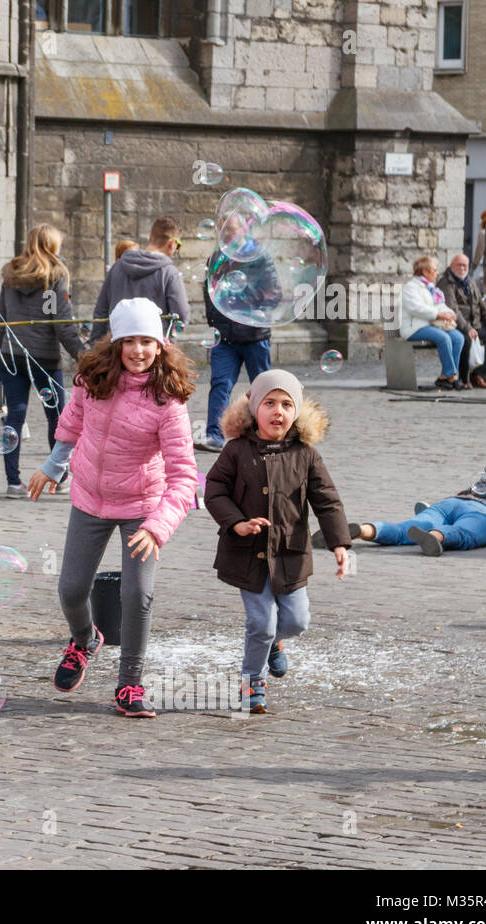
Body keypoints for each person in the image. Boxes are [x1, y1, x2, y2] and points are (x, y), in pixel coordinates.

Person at [26, 297, 198, 718]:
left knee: (137, 594)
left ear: (161, 346)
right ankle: (84, 640)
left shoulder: (169, 403)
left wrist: (157, 527)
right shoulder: (93, 379)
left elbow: (184, 477)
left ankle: (129, 685)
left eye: (147, 341)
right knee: (70, 589)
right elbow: (71, 423)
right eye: (130, 341)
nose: (139, 350)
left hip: (142, 507)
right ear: (116, 343)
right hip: (89, 497)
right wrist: (54, 466)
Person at [204, 370, 351, 714]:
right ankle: (251, 684)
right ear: (254, 408)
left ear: (296, 412)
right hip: (247, 555)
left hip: (291, 555)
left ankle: (275, 644)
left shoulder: (306, 454)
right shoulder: (236, 450)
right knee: (260, 623)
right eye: (269, 403)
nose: (278, 411)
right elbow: (214, 491)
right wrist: (237, 523)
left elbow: (327, 501)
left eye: (286, 404)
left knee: (297, 621)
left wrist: (340, 544)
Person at [0, 224, 83, 498]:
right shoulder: (54, 276)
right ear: (52, 246)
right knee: (57, 418)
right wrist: (84, 356)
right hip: (44, 357)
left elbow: (1, 320)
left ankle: (13, 482)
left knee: (15, 416)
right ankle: (59, 475)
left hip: (12, 356)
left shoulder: (11, 274)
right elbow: (60, 322)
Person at [197, 213, 281, 452]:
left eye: (231, 231)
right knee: (220, 383)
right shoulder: (216, 258)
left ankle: (266, 434)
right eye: (224, 232)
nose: (227, 236)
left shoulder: (260, 258)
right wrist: (216, 320)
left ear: (243, 231)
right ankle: (215, 435)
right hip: (225, 337)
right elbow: (209, 293)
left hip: (255, 336)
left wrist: (241, 297)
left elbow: (274, 295)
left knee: (263, 388)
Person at [338, 462, 486, 557]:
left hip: (454, 501)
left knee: (406, 528)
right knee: (465, 535)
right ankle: (437, 536)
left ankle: (367, 529)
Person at [88, 216, 191, 346]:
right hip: (153, 349)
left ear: (150, 236)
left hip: (117, 346)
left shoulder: (117, 267)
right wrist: (168, 342)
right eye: (178, 245)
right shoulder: (169, 272)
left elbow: (100, 312)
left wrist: (95, 347)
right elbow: (180, 315)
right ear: (172, 244)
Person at [436, 252, 486, 389]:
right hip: (456, 325)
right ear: (451, 266)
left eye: (465, 265)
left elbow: (484, 308)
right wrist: (467, 328)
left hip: (476, 324)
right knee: (465, 340)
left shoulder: (471, 281)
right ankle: (463, 379)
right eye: (459, 265)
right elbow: (453, 309)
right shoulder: (446, 282)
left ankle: (480, 374)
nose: (462, 268)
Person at [396, 255, 465, 390]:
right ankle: (452, 375)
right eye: (434, 270)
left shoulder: (431, 288)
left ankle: (444, 376)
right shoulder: (411, 287)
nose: (437, 273)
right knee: (444, 337)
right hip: (414, 327)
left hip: (430, 325)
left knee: (458, 338)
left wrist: (450, 313)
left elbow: (440, 305)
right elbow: (415, 308)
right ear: (425, 272)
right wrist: (438, 314)